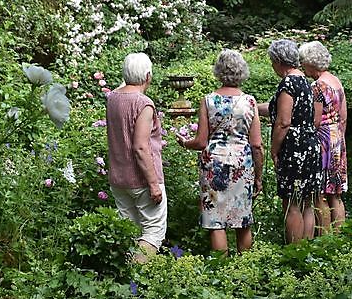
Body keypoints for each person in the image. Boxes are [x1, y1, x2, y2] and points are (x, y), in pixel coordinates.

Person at [176, 49, 263, 254]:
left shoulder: (208, 101)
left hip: (213, 165)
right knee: (243, 219)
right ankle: (245, 269)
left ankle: (220, 272)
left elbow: (200, 142)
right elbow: (257, 144)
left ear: (218, 72)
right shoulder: (250, 102)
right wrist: (258, 177)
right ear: (242, 72)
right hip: (242, 164)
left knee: (216, 221)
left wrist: (184, 143)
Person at [106, 52, 167, 262]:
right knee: (153, 233)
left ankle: (122, 282)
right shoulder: (143, 104)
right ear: (148, 76)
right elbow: (141, 147)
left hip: (118, 179)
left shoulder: (113, 98)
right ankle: (135, 279)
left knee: (130, 232)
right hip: (141, 179)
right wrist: (153, 184)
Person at [265, 39, 322, 243]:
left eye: (272, 61)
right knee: (307, 201)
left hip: (294, 147)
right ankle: (306, 249)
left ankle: (293, 250)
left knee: (291, 203)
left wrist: (274, 149)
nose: (272, 66)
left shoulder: (288, 83)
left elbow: (283, 121)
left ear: (279, 61)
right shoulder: (306, 82)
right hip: (310, 144)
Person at [299, 41, 347, 233]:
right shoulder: (336, 81)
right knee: (336, 193)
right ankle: (339, 236)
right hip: (337, 137)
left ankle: (326, 240)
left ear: (311, 63)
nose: (303, 66)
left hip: (323, 140)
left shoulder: (317, 86)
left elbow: (315, 121)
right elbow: (343, 116)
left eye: (304, 62)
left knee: (319, 193)